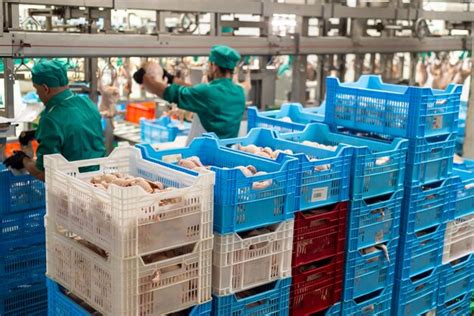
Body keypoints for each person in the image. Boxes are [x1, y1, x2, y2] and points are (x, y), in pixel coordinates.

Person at [4, 60, 105, 181]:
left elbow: (44, 173)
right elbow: (76, 133)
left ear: (45, 88)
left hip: (74, 187)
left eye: (36, 89)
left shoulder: (51, 119)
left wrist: (23, 160)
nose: (37, 94)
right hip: (100, 180)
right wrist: (37, 133)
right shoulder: (87, 103)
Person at [141, 45, 246, 143]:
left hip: (202, 155)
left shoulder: (207, 92)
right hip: (228, 152)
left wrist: (145, 78)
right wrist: (171, 78)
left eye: (209, 64)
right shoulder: (239, 92)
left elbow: (171, 93)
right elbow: (196, 91)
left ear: (214, 66)